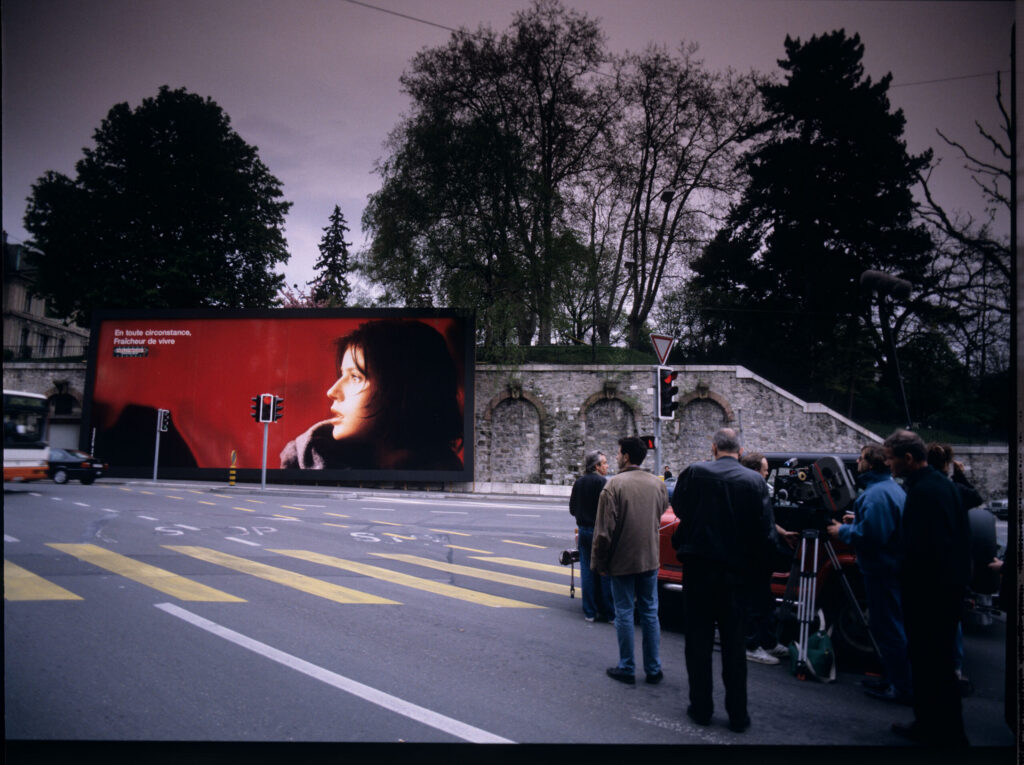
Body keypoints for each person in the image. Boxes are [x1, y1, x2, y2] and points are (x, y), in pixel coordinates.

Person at [671, 428, 774, 733]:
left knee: (698, 641)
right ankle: (738, 714)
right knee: (734, 643)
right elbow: (765, 533)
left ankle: (701, 707)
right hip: (736, 573)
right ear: (740, 452)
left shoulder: (694, 473)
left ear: (713, 447)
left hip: (699, 568)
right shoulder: (755, 482)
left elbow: (680, 510)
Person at [281, 320, 463, 471]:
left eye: (355, 377)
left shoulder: (444, 474)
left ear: (401, 390)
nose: (332, 392)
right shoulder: (303, 458)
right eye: (341, 375)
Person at [884, 430, 970, 746]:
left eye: (891, 458)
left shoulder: (925, 493)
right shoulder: (940, 486)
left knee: (932, 662)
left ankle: (945, 732)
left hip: (931, 594)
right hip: (943, 590)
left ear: (908, 459)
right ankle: (931, 724)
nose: (889, 464)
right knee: (933, 663)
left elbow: (924, 548)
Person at [826, 444, 911, 705]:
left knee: (889, 629)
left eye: (861, 458)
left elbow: (872, 536)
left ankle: (900, 686)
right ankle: (892, 678)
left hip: (881, 570)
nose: (858, 462)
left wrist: (842, 532)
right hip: (890, 569)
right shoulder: (891, 489)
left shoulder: (875, 495)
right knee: (890, 626)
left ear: (871, 464)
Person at [591, 436, 668, 685]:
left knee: (624, 611)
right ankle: (653, 668)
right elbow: (659, 514)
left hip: (622, 560)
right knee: (650, 612)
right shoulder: (657, 484)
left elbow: (603, 533)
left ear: (625, 456)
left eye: (617, 453)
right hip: (650, 558)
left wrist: (600, 564)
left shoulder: (614, 486)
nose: (615, 457)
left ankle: (627, 667)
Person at [926, 442, 982, 697]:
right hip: (959, 564)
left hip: (940, 566)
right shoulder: (956, 489)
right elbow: (976, 497)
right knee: (952, 620)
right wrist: (959, 474)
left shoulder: (932, 488)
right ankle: (953, 668)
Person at [738, 451, 792, 665]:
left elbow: (765, 518)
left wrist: (782, 532)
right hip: (752, 555)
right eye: (765, 470)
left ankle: (767, 641)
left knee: (765, 601)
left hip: (761, 555)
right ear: (754, 471)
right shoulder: (747, 491)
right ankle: (750, 644)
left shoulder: (756, 490)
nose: (767, 473)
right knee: (753, 602)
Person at [569, 450, 614, 622]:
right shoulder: (603, 483)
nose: (607, 466)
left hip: (583, 530)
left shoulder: (579, 482)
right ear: (596, 466)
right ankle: (609, 612)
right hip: (599, 530)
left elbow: (572, 509)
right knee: (603, 570)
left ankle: (589, 611)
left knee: (587, 571)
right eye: (604, 463)